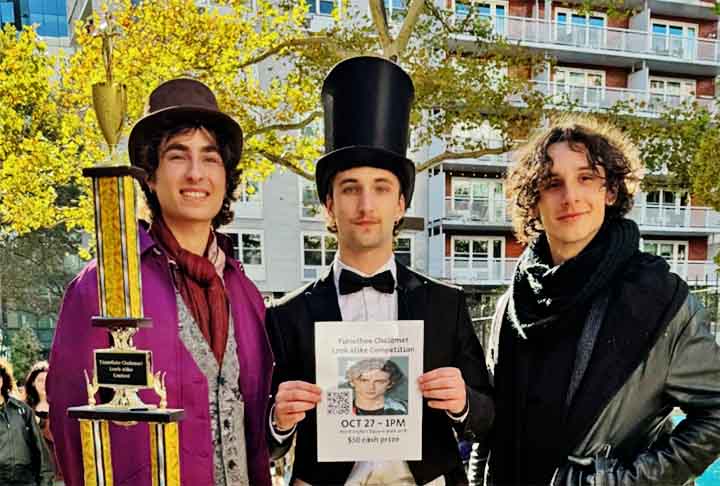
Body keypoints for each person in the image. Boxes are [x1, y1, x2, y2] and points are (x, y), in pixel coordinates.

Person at [266, 56, 494, 485]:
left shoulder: (445, 304)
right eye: (350, 189)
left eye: (381, 188)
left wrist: (463, 402)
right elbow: (267, 440)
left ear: (401, 204)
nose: (366, 205)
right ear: (329, 205)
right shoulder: (287, 314)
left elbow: (487, 418)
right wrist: (278, 420)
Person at [48, 79, 274, 486]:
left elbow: (255, 429)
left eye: (210, 158)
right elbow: (73, 431)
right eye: (177, 156)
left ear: (226, 177)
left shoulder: (246, 293)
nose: (195, 173)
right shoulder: (103, 287)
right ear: (150, 176)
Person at [477, 116, 720, 485]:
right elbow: (493, 423)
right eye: (552, 183)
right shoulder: (512, 303)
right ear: (534, 202)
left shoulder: (658, 298)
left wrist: (620, 481)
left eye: (586, 178)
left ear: (610, 191)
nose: (571, 196)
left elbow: (715, 412)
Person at [0, 358, 54, 486]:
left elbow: (41, 451)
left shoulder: (22, 410)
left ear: (2, 379)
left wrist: (45, 482)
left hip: (27, 479)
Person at [25, 361, 63, 485]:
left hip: (58, 469)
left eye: (47, 380)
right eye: (40, 380)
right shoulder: (26, 407)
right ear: (33, 382)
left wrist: (40, 422)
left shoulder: (60, 405)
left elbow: (58, 435)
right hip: (33, 470)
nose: (44, 384)